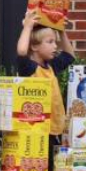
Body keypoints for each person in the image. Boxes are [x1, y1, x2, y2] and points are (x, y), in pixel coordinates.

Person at [15, 8, 71, 143]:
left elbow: (69, 55)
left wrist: (61, 31)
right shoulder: (29, 68)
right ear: (34, 47)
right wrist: (28, 27)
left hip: (53, 130)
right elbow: (22, 51)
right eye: (50, 42)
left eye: (55, 42)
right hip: (35, 130)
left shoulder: (52, 66)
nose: (55, 47)